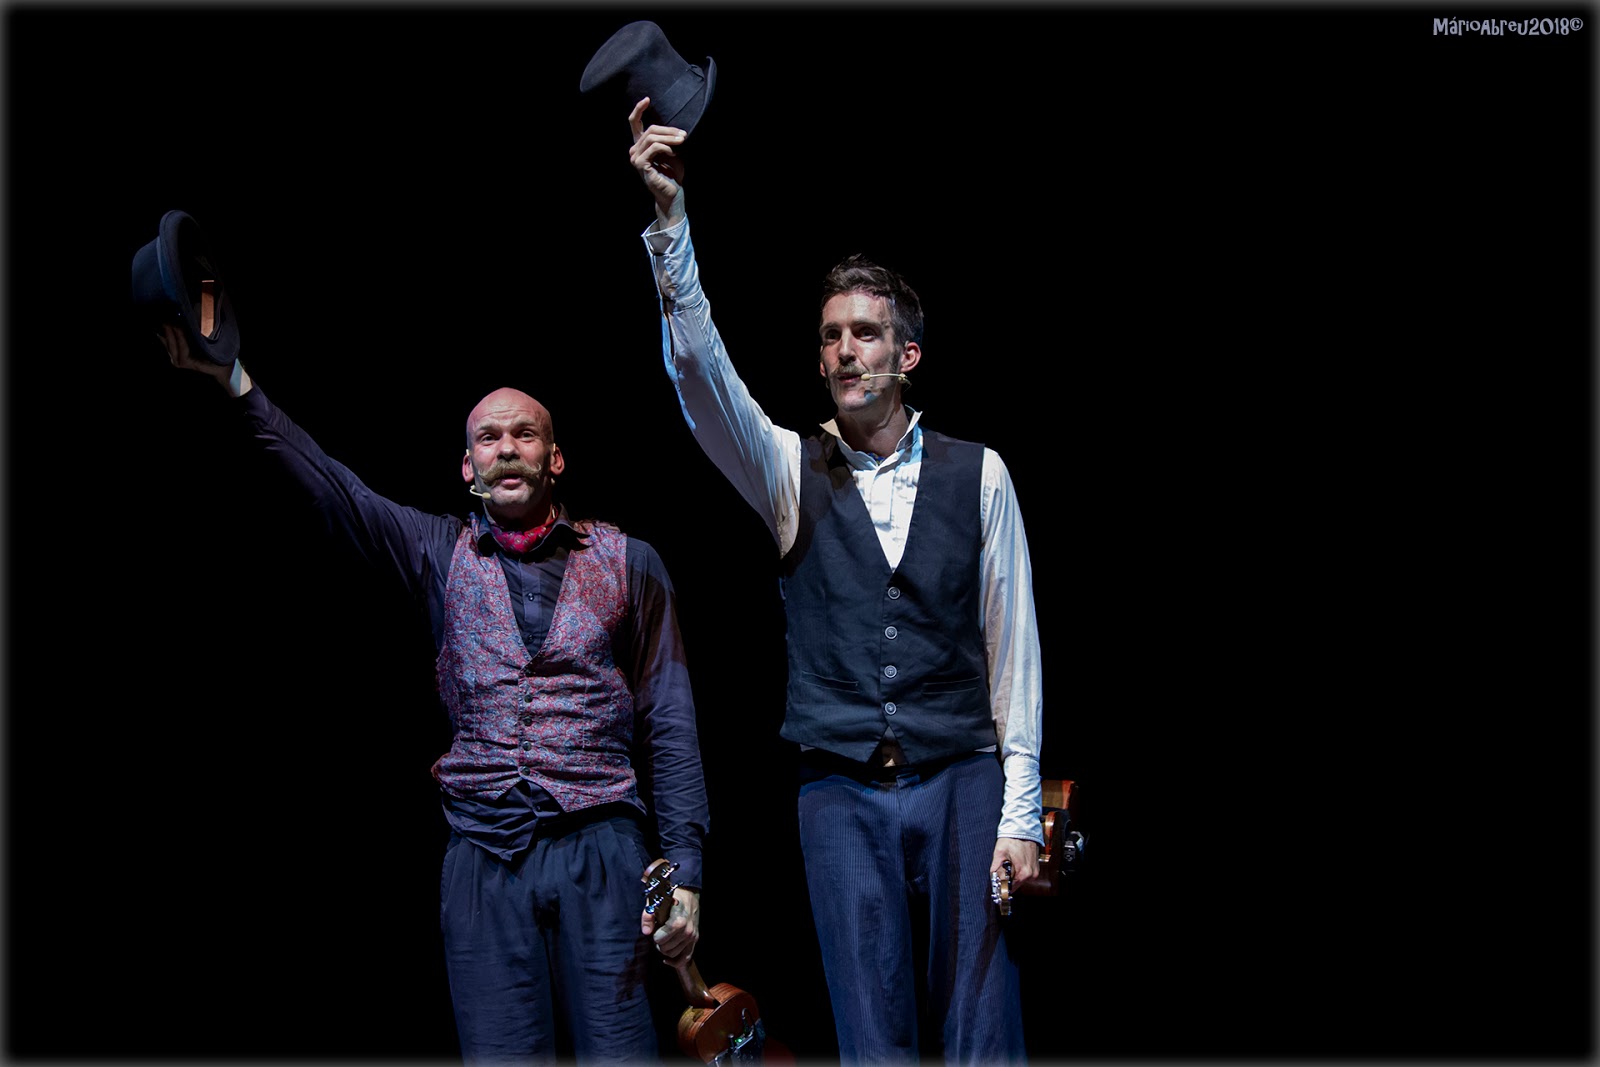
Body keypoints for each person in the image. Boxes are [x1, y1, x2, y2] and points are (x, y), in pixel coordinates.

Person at [154, 314, 709, 1066]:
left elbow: (669, 719)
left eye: (525, 435)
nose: (506, 447)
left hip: (601, 849)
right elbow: (333, 488)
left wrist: (685, 871)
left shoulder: (630, 561)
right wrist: (234, 380)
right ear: (467, 466)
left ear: (555, 458)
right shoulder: (438, 552)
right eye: (489, 438)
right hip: (483, 854)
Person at [622, 97, 1045, 1064]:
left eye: (865, 333)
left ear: (908, 354)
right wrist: (671, 226)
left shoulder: (980, 474)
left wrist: (1019, 811)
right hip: (839, 789)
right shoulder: (788, 468)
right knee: (868, 1028)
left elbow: (1014, 649)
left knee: (983, 1028)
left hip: (961, 776)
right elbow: (700, 377)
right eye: (830, 337)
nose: (845, 350)